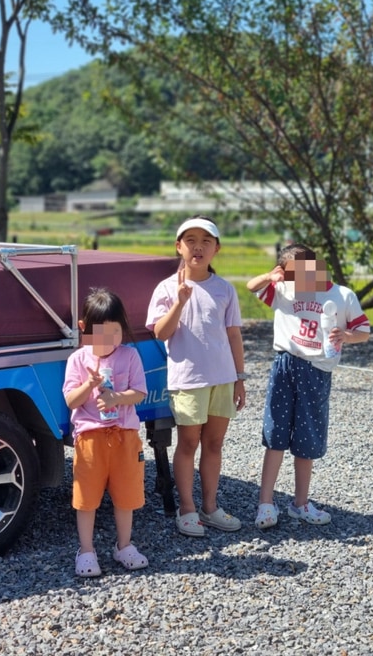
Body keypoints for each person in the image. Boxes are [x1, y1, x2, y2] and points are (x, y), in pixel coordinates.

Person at [247, 243, 370, 529]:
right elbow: (254, 286)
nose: (300, 278)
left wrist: (345, 335)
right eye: (292, 274)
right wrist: (270, 276)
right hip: (285, 364)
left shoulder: (342, 295)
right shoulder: (285, 290)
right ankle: (266, 503)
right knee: (275, 432)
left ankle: (300, 503)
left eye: (305, 270)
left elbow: (364, 332)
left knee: (307, 437)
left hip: (317, 370)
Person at [146, 216, 246, 537]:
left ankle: (211, 506)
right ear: (179, 246)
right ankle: (187, 509)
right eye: (190, 240)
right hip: (188, 379)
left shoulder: (225, 289)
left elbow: (233, 336)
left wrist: (240, 377)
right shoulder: (165, 288)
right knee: (188, 443)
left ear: (216, 249)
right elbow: (161, 333)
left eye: (206, 241)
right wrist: (179, 301)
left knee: (214, 444)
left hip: (223, 378)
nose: (198, 247)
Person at [63, 287, 149, 576]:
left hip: (124, 436)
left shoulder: (129, 356)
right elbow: (70, 401)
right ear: (84, 329)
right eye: (102, 333)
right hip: (89, 438)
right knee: (86, 498)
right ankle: (86, 550)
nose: (110, 341)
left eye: (116, 333)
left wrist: (116, 398)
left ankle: (124, 545)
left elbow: (139, 393)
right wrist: (89, 385)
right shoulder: (77, 360)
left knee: (126, 495)